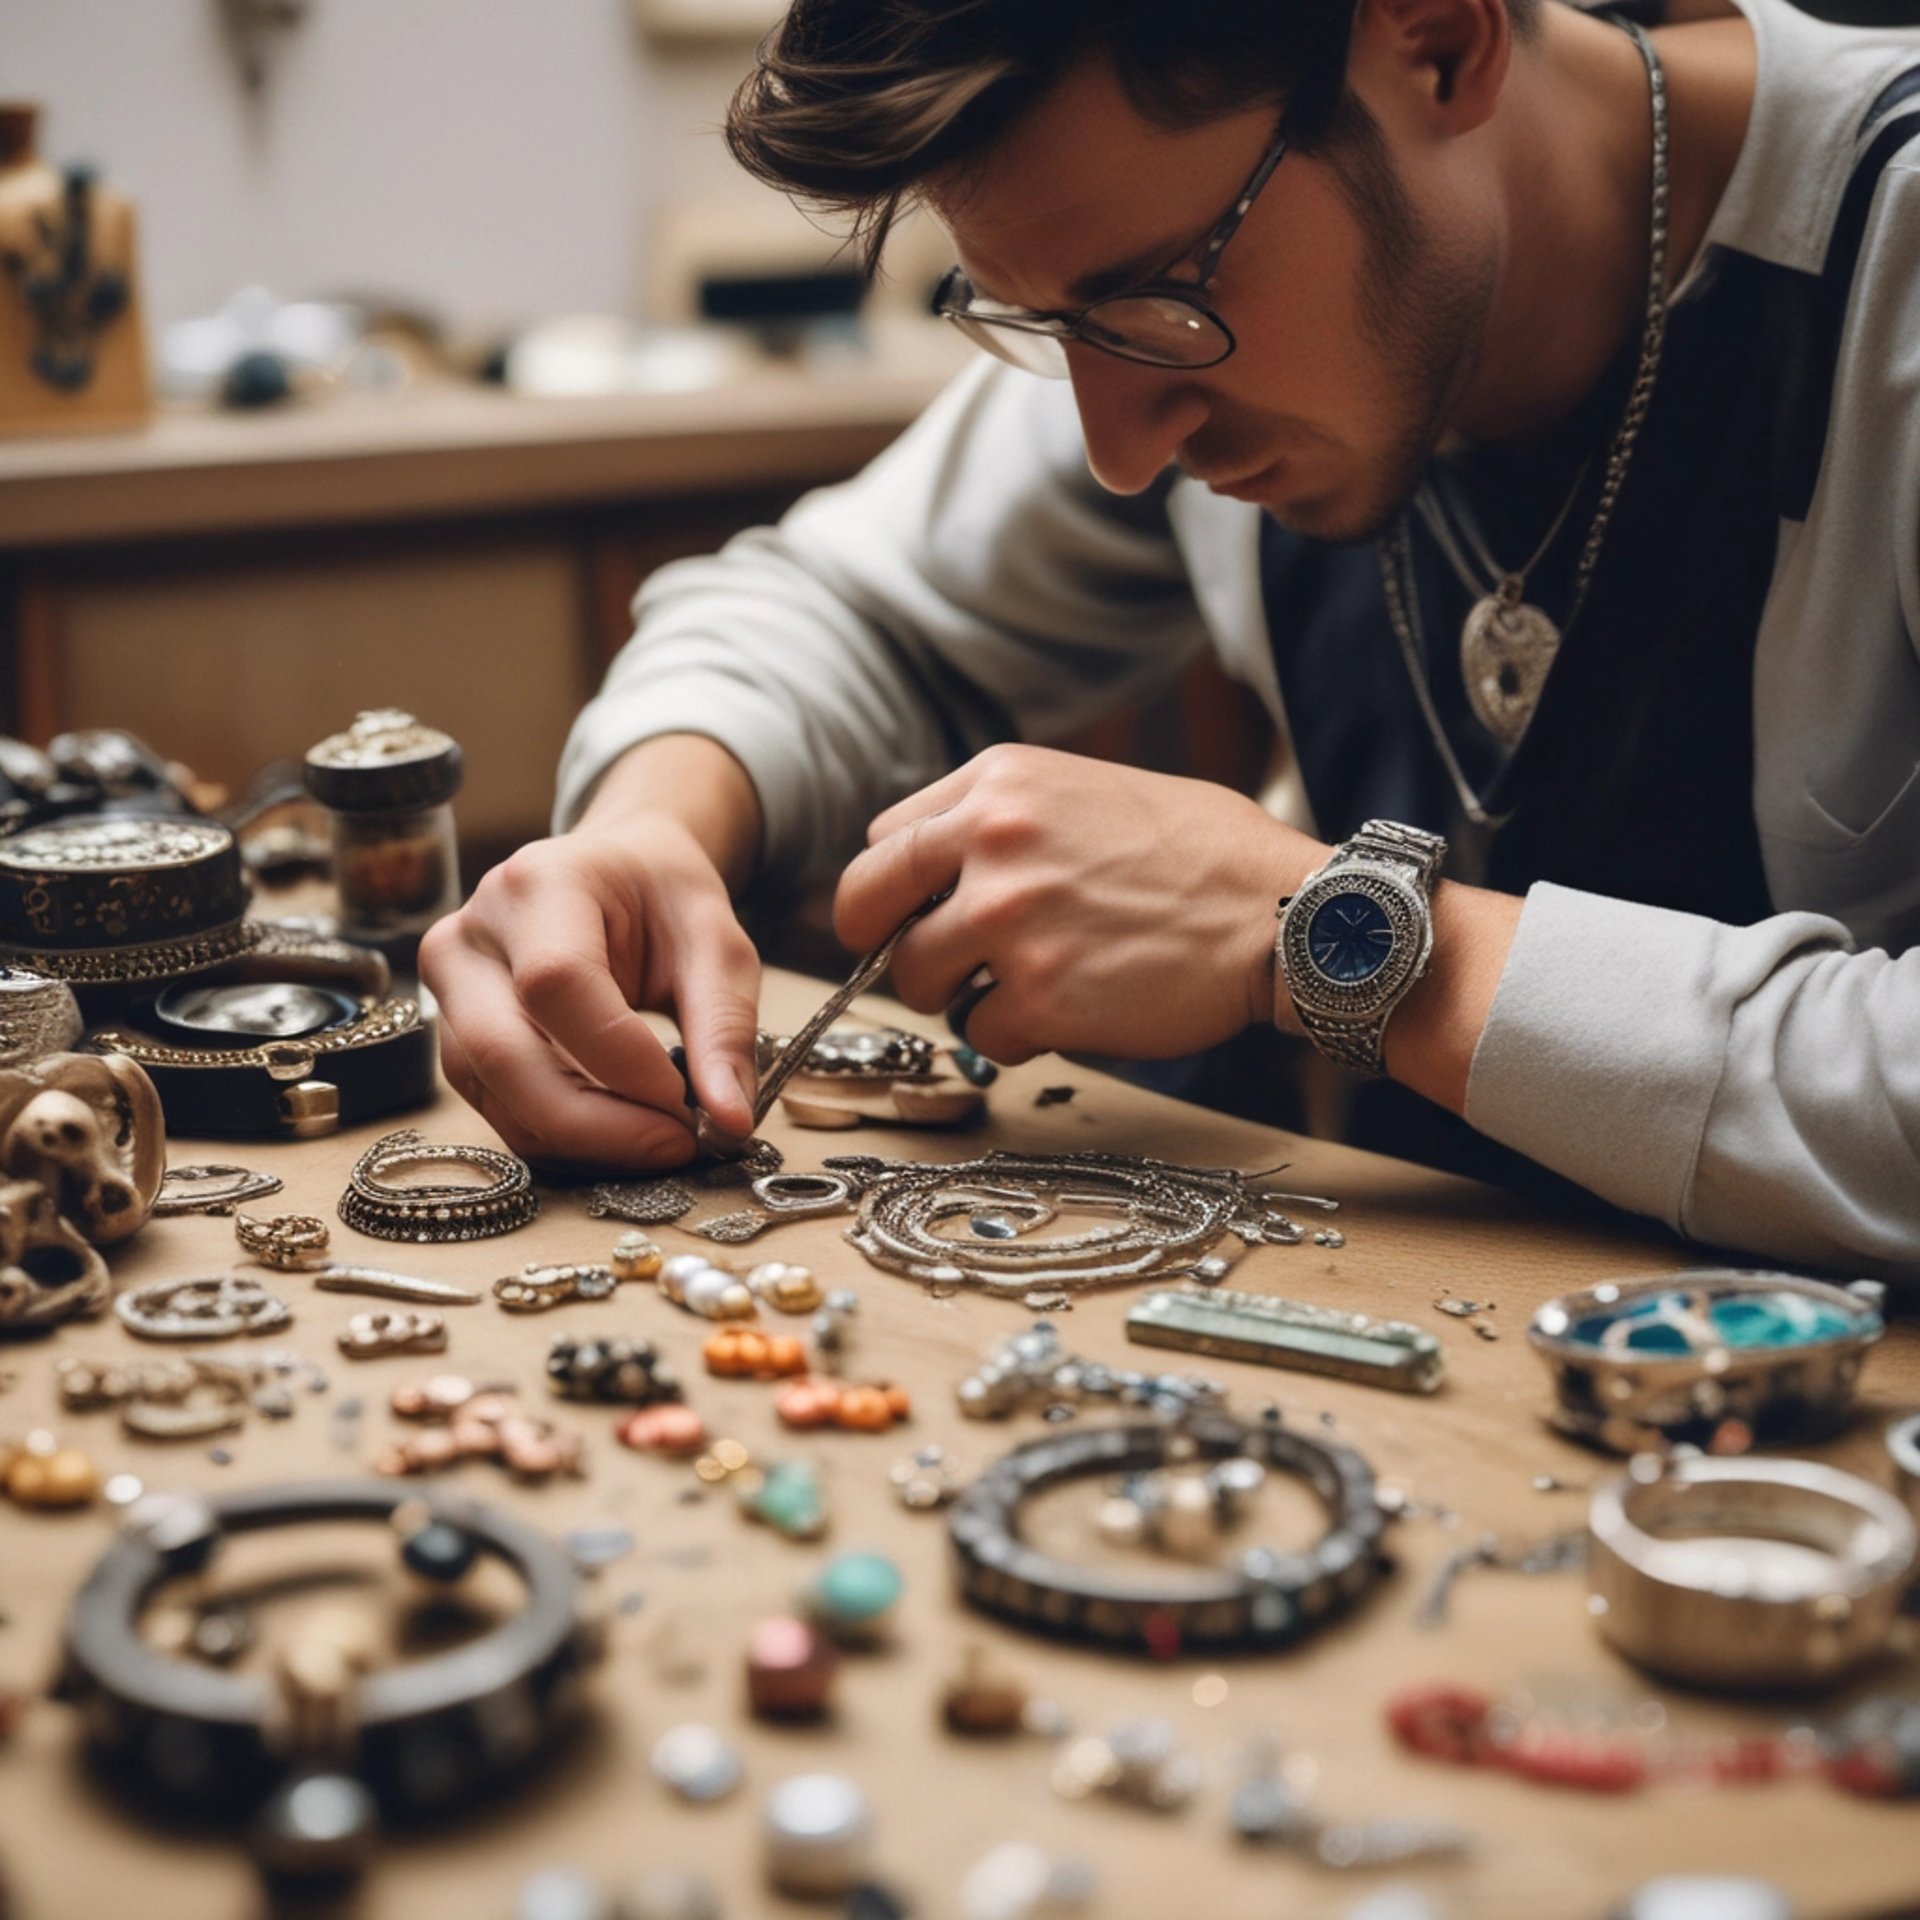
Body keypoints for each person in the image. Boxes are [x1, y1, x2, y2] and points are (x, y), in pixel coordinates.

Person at [420, 0, 1920, 1282]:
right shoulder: (1193, 267)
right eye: (1041, 321)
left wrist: (1335, 938)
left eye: (1153, 306)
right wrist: (647, 831)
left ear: (1444, 41)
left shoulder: (1887, 262)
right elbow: (832, 605)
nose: (1119, 450)